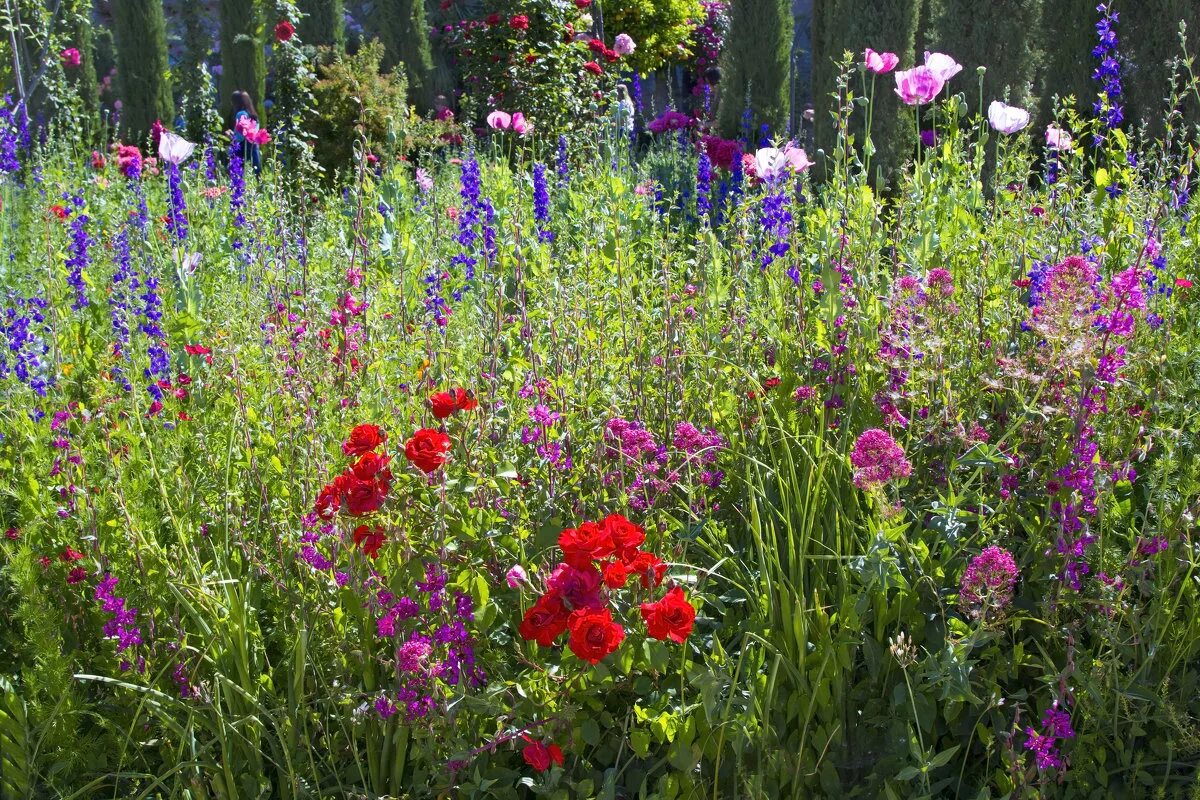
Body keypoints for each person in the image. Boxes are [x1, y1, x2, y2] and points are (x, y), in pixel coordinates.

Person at [230, 91, 262, 176]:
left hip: (243, 148)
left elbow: (240, 136)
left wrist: (232, 136)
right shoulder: (252, 114)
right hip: (253, 146)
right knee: (256, 172)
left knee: (238, 173)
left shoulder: (240, 114)